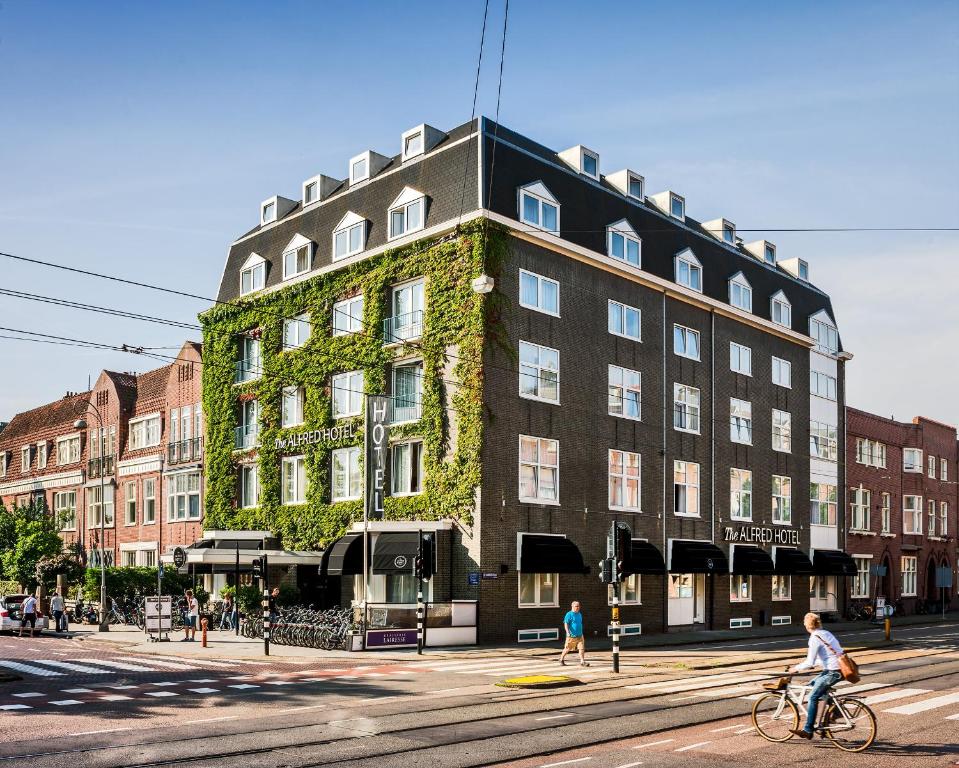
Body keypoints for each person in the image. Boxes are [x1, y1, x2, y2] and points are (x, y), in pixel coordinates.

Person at [789, 612, 845, 739]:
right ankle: (835, 712)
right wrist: (817, 664)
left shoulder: (814, 638)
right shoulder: (826, 633)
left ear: (806, 624)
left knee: (812, 697)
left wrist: (795, 668)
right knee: (812, 685)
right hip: (838, 669)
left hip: (833, 672)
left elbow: (810, 662)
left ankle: (808, 730)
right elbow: (829, 655)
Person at [559, 600, 589, 667]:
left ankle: (582, 662)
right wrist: (567, 632)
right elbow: (566, 624)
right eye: (576, 606)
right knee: (567, 649)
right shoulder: (569, 614)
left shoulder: (579, 614)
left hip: (580, 635)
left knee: (581, 648)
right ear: (572, 606)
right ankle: (561, 659)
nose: (578, 607)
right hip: (571, 636)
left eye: (579, 606)